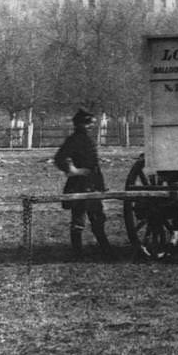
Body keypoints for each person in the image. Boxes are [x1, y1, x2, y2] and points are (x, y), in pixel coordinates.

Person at [54, 109, 112, 259]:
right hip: (79, 184)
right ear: (79, 124)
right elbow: (60, 158)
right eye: (88, 124)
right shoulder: (74, 140)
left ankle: (106, 250)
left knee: (98, 217)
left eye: (92, 124)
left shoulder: (86, 139)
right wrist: (73, 170)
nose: (91, 127)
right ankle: (77, 253)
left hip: (93, 183)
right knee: (78, 219)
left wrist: (100, 184)